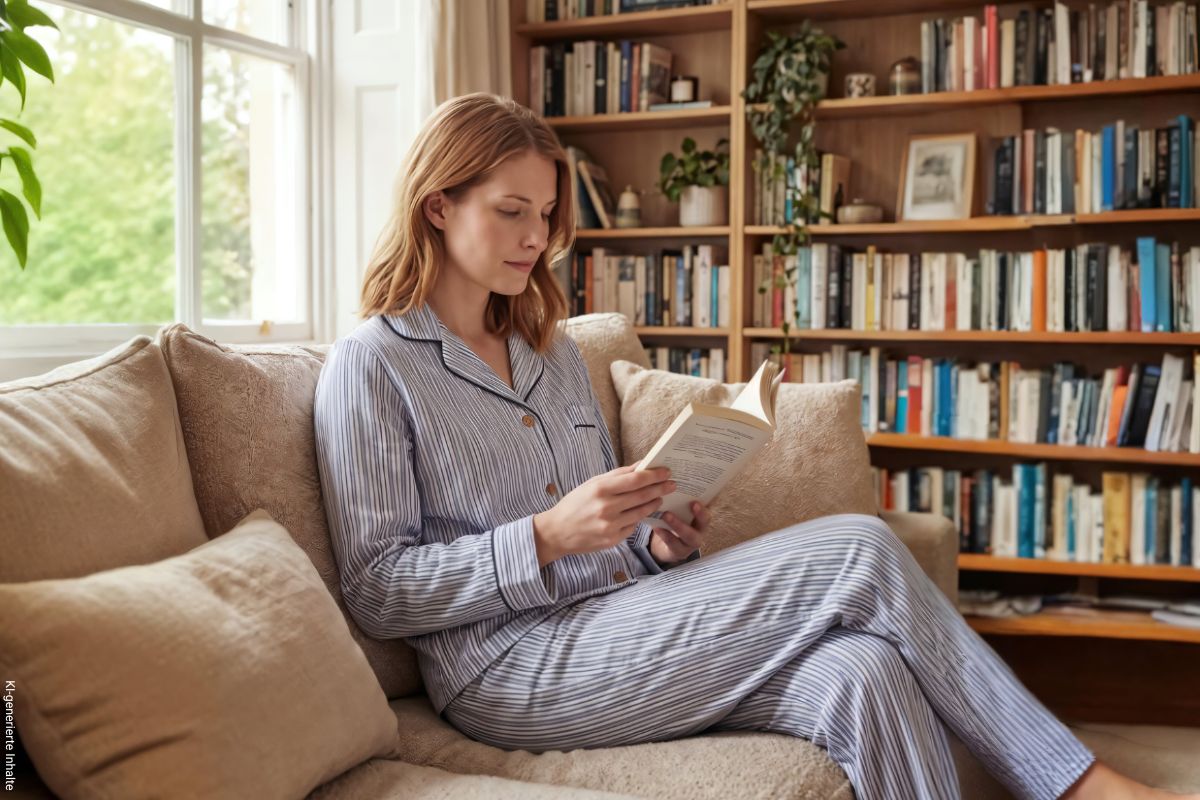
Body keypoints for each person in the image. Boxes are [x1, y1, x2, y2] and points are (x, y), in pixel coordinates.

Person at [313, 92, 1198, 800]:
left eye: (545, 213)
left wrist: (650, 541)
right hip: (504, 672)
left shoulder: (554, 353)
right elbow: (376, 591)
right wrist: (543, 536)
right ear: (438, 205)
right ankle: (1079, 784)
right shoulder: (372, 366)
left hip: (611, 622)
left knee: (863, 671)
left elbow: (600, 537)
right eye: (512, 212)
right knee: (861, 548)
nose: (539, 237)